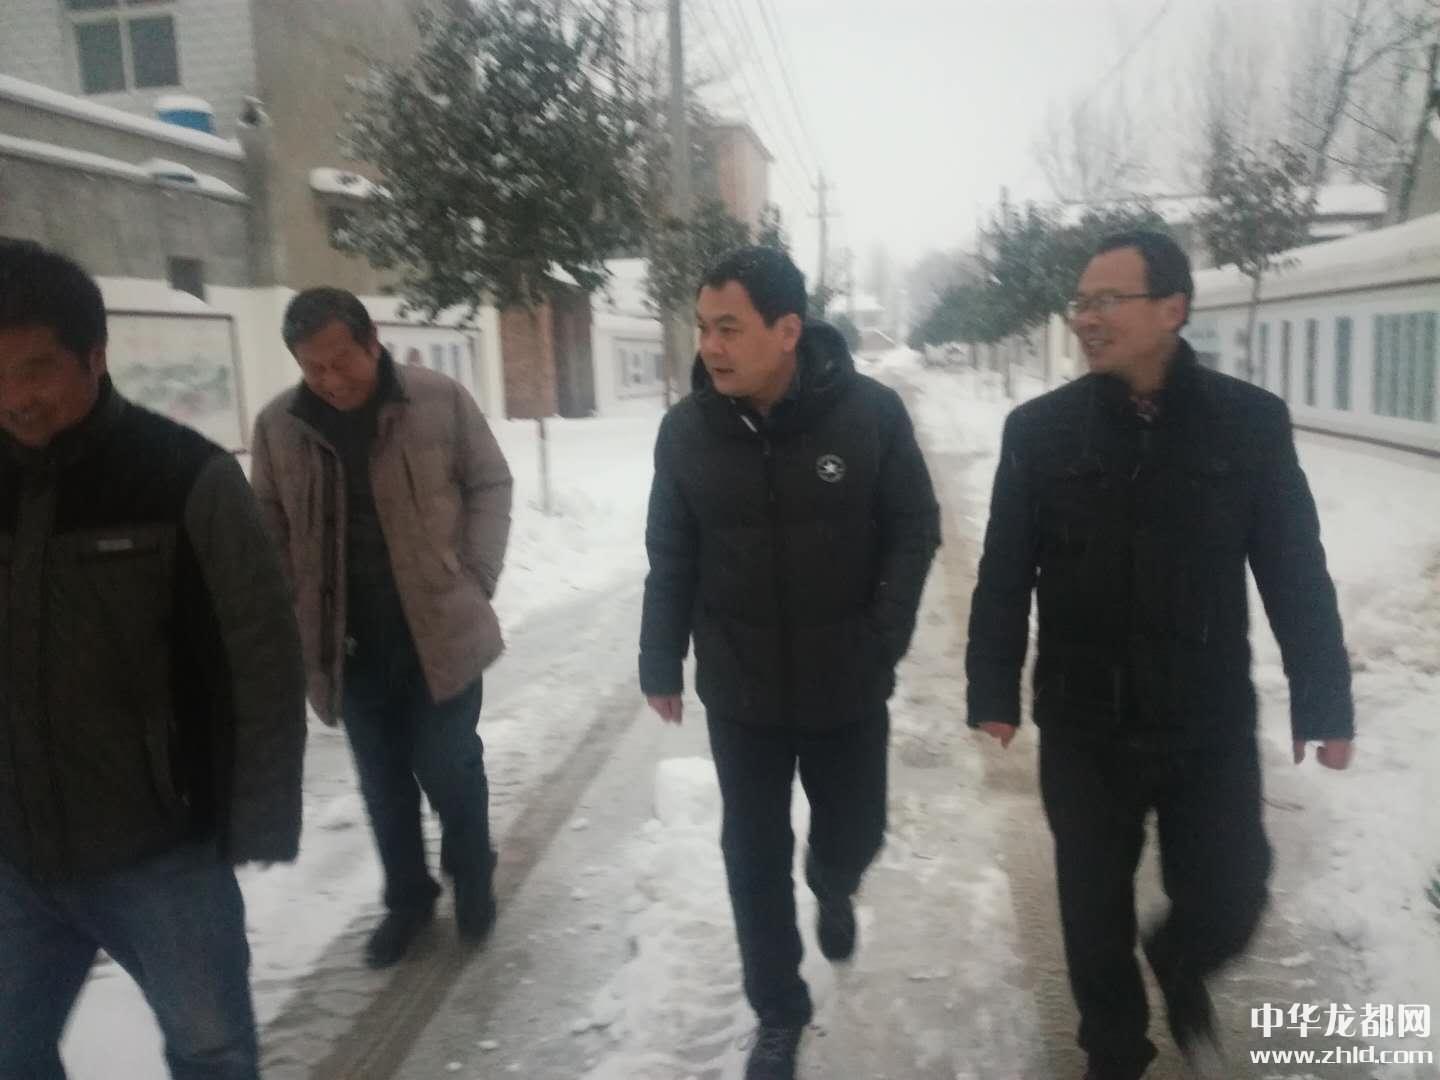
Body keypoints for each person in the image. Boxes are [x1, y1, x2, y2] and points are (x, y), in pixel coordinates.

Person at [966, 230, 1355, 1079]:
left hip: (1205, 718)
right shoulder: (1041, 432)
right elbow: (1004, 572)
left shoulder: (1249, 424)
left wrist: (1324, 697)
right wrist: (991, 685)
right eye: (1081, 302)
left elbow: (1294, 569)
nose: (1086, 318)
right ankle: (1114, 1052)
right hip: (1084, 722)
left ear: (1173, 308)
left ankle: (1181, 959)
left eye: (1107, 300)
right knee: (1091, 910)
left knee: (1232, 890)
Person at [0, 243, 307, 1079]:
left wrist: (259, 814)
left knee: (212, 1052)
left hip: (162, 850)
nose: (14, 398)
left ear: (93, 357)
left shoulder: (184, 477)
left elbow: (263, 654)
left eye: (35, 370)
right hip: (16, 857)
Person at [639, 247, 941, 1080]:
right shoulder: (686, 433)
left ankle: (834, 883)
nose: (710, 346)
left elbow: (914, 528)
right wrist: (661, 655)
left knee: (855, 833)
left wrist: (882, 636)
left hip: (848, 681)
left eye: (728, 327)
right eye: (703, 327)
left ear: (787, 331)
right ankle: (778, 1009)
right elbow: (671, 551)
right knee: (752, 854)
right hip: (742, 688)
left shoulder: (870, 415)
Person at [251, 288, 512, 968]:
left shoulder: (438, 400)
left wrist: (476, 574)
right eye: (313, 367)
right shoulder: (279, 427)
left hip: (439, 629)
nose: (330, 379)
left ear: (372, 343)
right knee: (383, 781)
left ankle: (472, 870)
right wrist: (291, 609)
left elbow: (489, 483)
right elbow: (267, 529)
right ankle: (408, 900)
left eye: (341, 361)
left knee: (449, 765)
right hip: (348, 644)